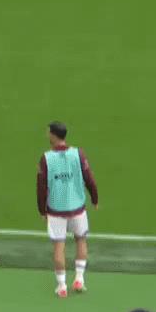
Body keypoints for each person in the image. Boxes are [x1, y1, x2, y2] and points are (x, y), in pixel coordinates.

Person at [40, 121, 98, 297]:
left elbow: (41, 187)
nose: (47, 134)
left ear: (53, 135)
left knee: (59, 246)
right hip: (77, 208)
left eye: (48, 132)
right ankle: (79, 279)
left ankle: (62, 286)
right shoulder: (78, 154)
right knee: (81, 240)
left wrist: (42, 210)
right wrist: (94, 197)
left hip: (56, 211)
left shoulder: (46, 158)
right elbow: (89, 178)